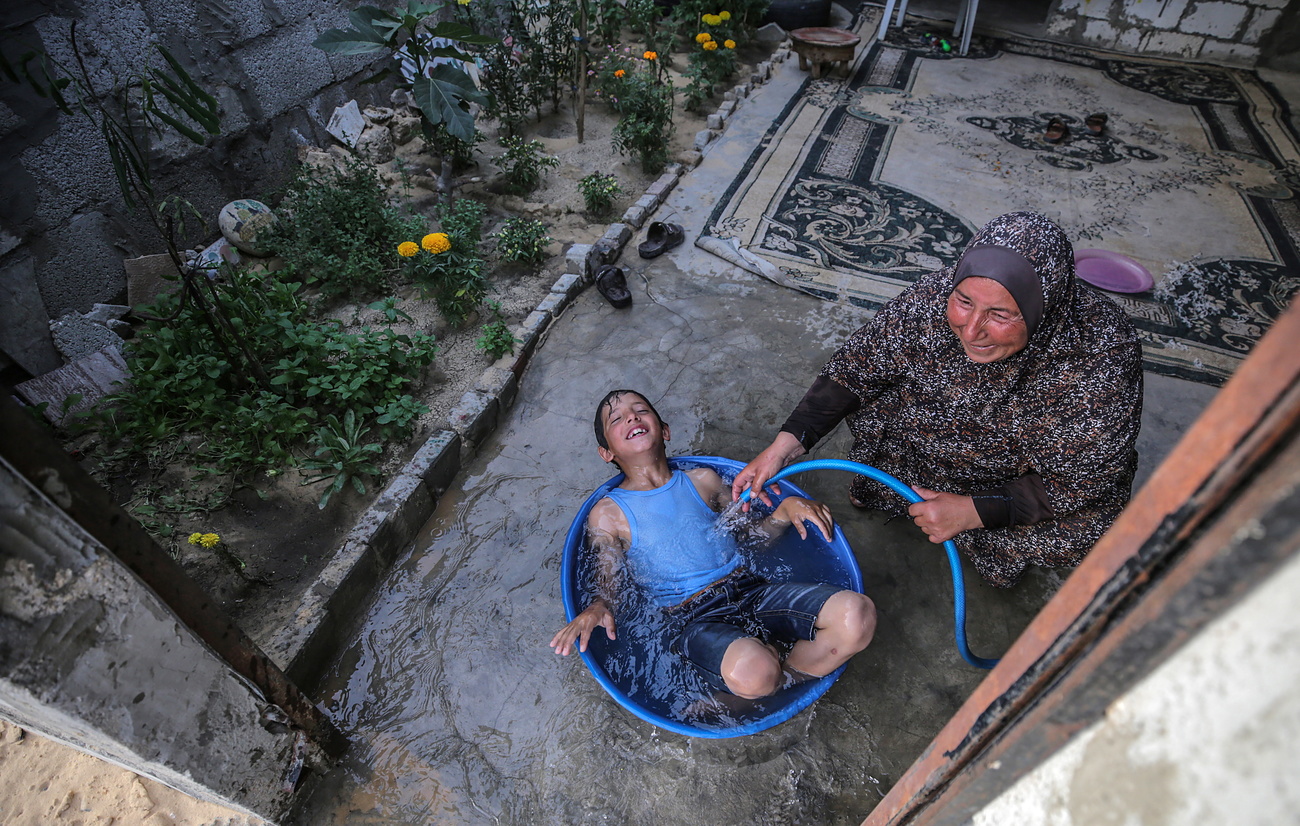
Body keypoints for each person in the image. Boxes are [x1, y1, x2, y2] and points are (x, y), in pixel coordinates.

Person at [732, 211, 1143, 588]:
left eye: (1000, 315)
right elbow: (856, 367)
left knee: (1095, 526)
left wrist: (974, 511)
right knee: (874, 395)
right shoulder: (934, 296)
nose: (971, 329)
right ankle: (891, 488)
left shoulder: (1101, 354)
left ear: (1044, 309)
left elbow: (1081, 480)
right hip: (930, 437)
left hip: (1015, 474)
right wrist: (783, 447)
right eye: (964, 303)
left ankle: (981, 538)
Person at [550, 390, 876, 700]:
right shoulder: (608, 513)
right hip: (693, 619)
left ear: (664, 430)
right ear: (607, 453)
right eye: (616, 419)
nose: (632, 418)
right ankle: (761, 675)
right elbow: (609, 574)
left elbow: (749, 537)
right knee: (755, 670)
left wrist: (786, 511)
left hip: (751, 590)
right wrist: (597, 606)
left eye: (641, 410)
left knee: (857, 616)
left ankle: (774, 680)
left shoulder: (703, 480)